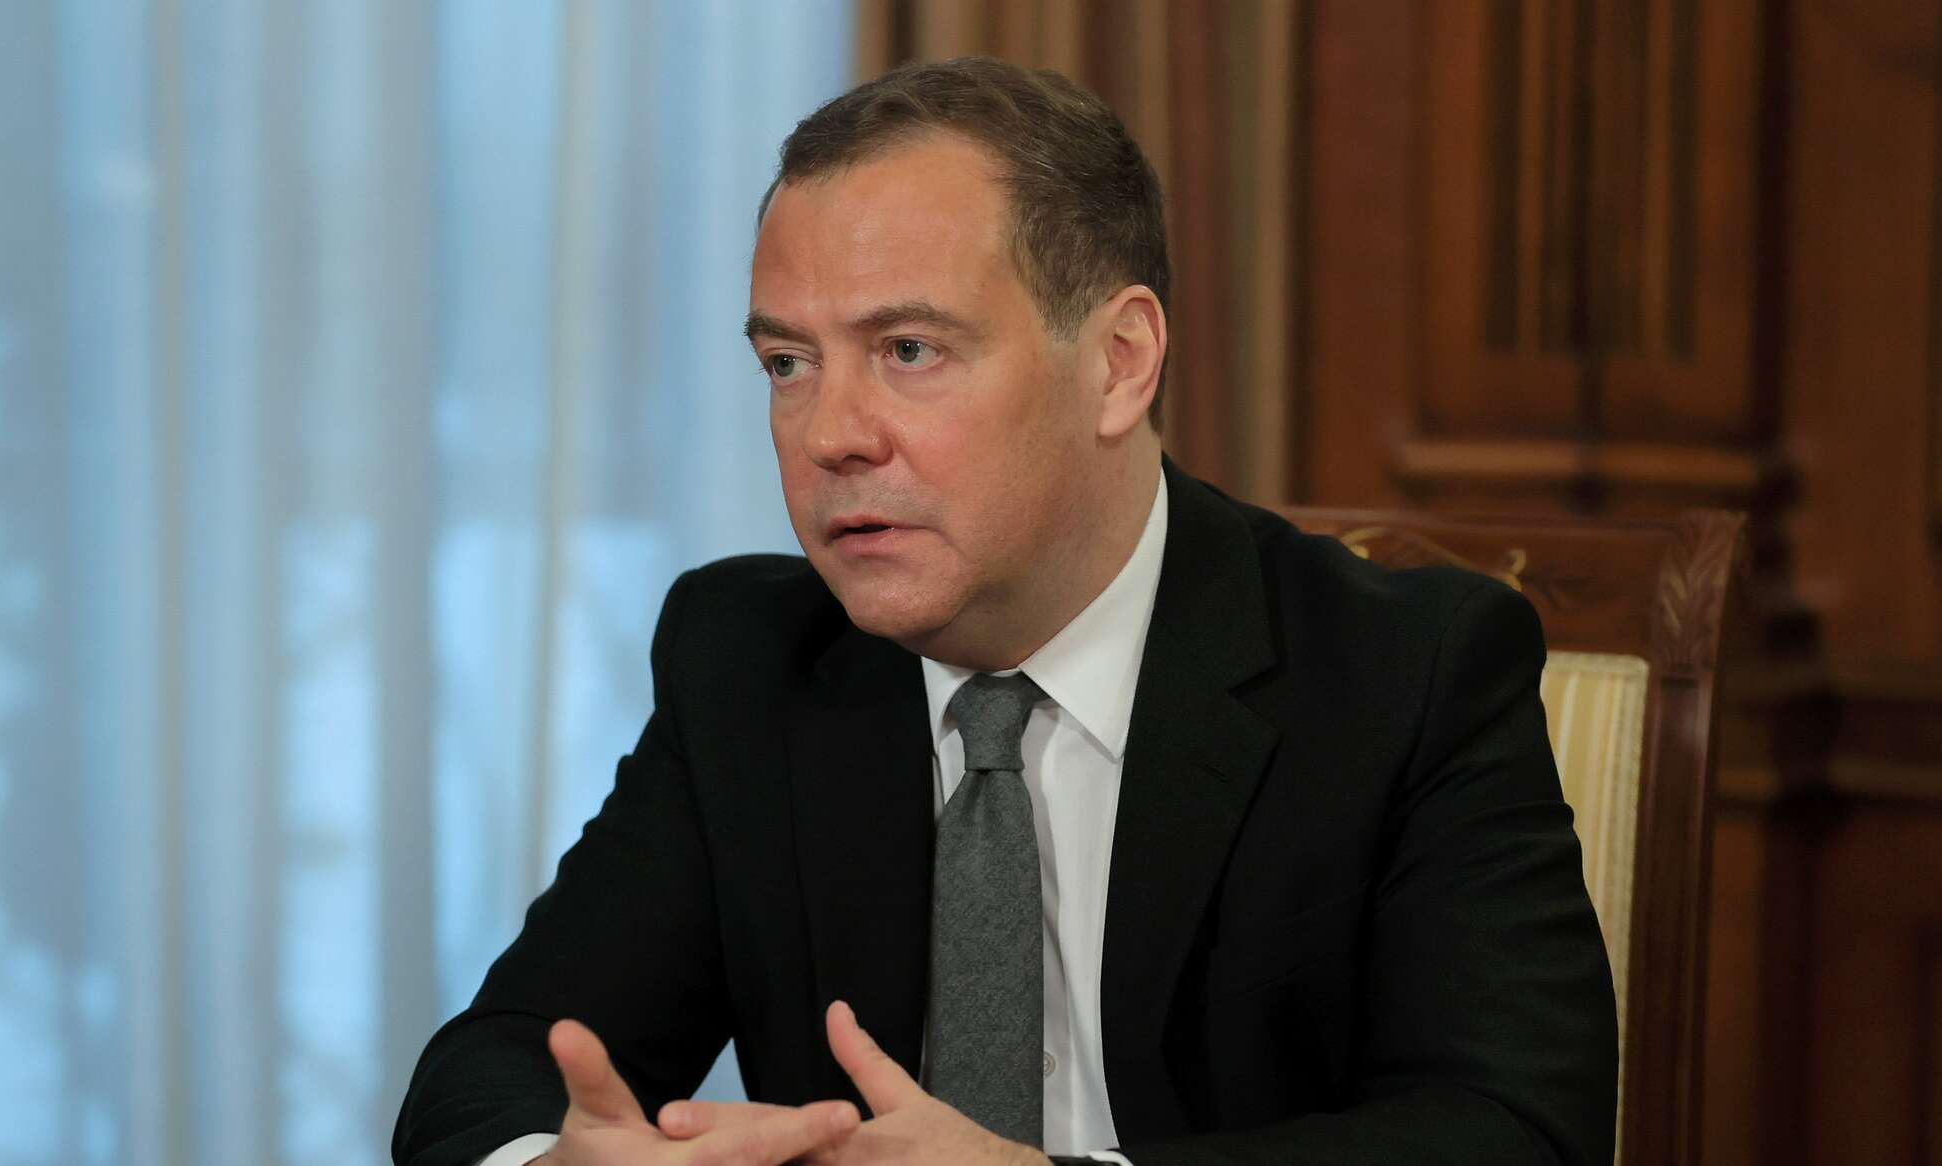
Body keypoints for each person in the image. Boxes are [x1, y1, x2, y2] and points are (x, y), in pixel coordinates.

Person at [394, 56, 1617, 1166]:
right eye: (787, 363)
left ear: (1119, 361)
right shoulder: (749, 660)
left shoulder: (1402, 671)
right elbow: (489, 1070)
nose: (828, 436)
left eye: (907, 349)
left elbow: (1512, 1127)